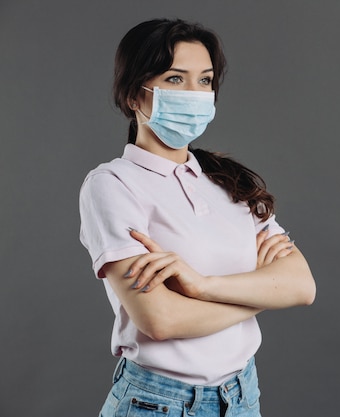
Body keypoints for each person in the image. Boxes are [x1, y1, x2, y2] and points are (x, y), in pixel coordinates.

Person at [79, 18, 316, 417]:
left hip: (242, 394)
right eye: (175, 79)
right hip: (159, 402)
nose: (195, 94)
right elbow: (161, 319)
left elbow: (301, 286)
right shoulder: (112, 185)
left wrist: (202, 286)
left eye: (205, 81)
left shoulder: (230, 180)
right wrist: (258, 296)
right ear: (134, 96)